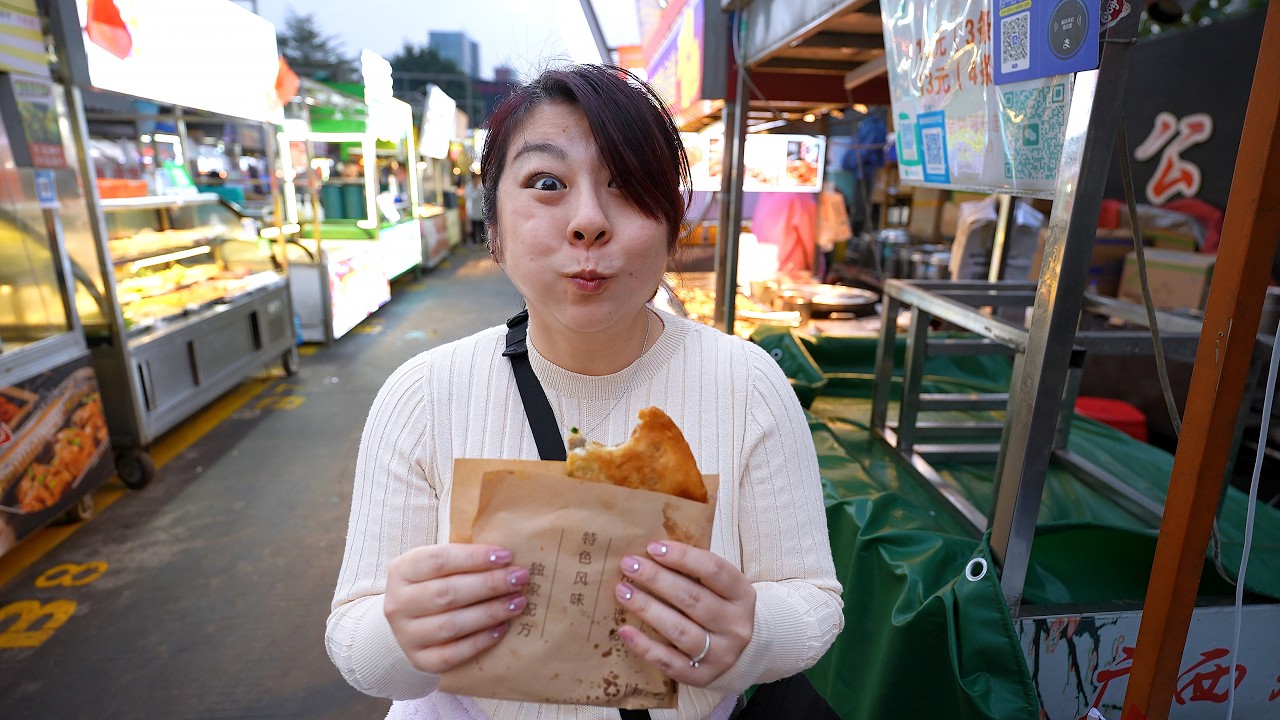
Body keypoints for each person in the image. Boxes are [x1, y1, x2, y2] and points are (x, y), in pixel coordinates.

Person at [326, 64, 843, 720]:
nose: (589, 222)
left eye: (626, 186)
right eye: (547, 183)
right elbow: (355, 643)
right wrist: (400, 635)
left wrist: (749, 632)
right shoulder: (423, 397)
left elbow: (814, 603)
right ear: (493, 228)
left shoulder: (749, 385)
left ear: (670, 224)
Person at [465, 172, 485, 244]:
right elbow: (470, 197)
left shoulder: (481, 185)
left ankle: (482, 241)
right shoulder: (469, 186)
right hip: (473, 209)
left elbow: (483, 195)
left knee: (481, 226)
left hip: (481, 209)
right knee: (474, 226)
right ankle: (474, 241)